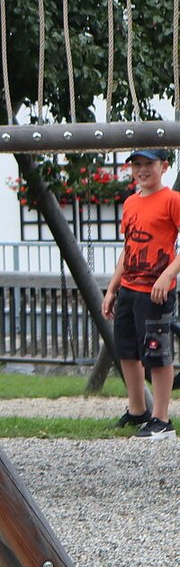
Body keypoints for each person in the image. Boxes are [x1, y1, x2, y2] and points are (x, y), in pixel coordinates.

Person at [100, 149, 180, 440]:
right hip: (129, 288)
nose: (143, 170)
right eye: (137, 165)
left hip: (156, 291)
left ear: (164, 166)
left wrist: (168, 274)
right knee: (126, 350)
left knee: (157, 353)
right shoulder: (131, 202)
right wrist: (112, 288)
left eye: (149, 164)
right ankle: (137, 410)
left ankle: (161, 419)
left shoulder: (172, 200)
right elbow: (129, 247)